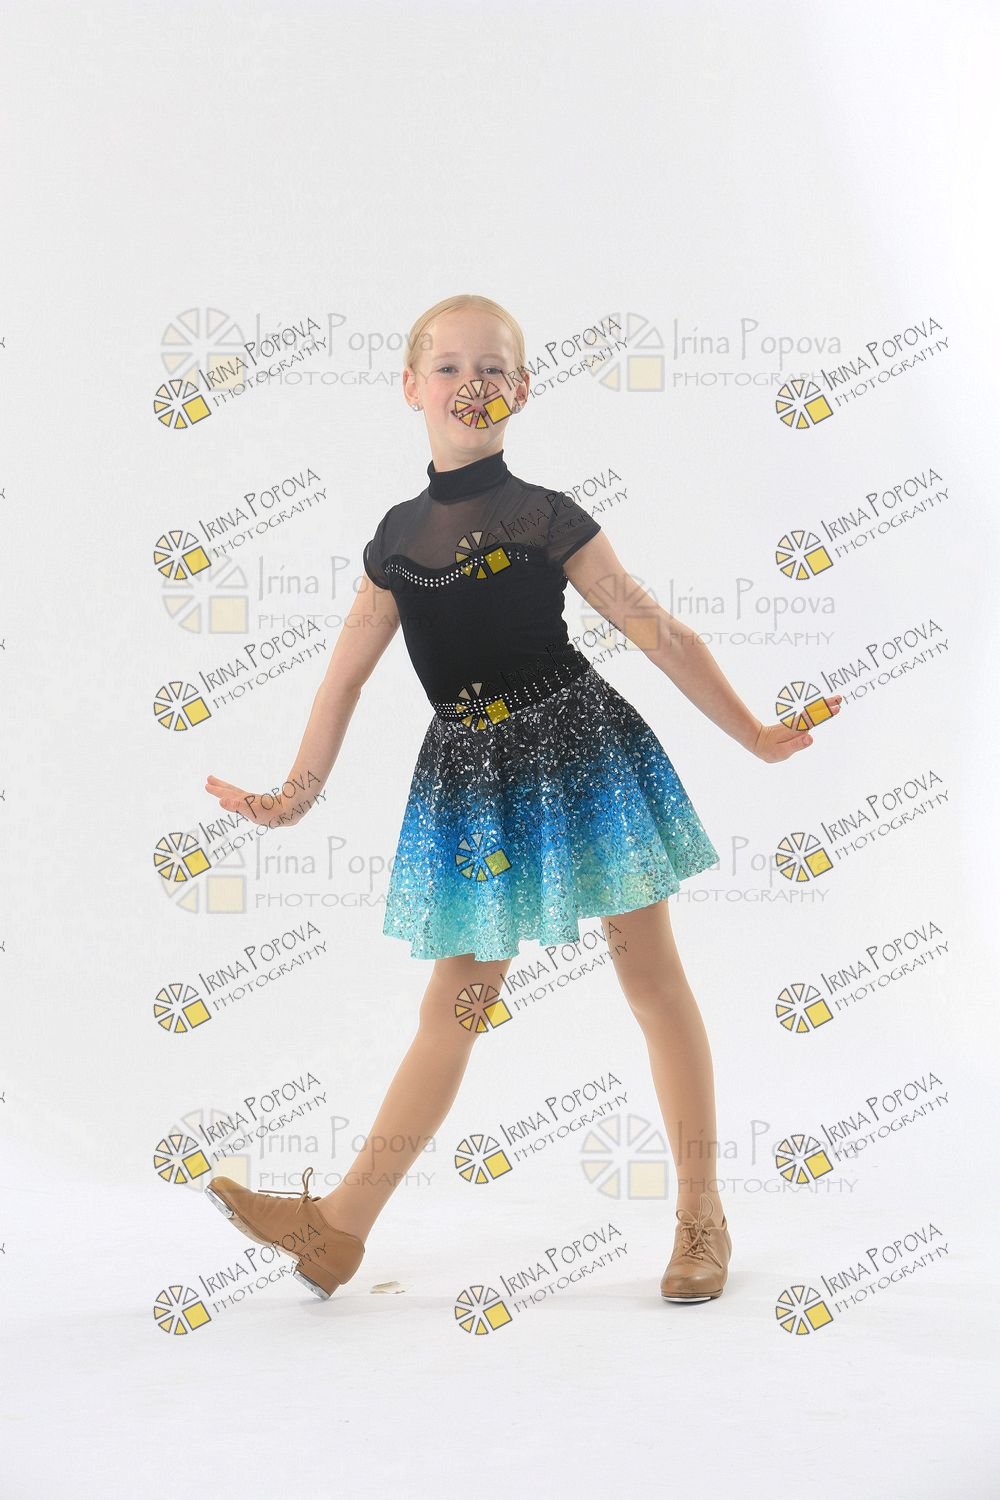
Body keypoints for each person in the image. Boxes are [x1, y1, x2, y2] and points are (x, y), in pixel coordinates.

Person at [202, 293, 842, 1305]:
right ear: (411, 388)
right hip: (473, 787)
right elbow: (343, 681)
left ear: (523, 390)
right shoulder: (394, 539)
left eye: (492, 368)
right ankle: (337, 1232)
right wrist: (295, 796)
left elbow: (656, 630)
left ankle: (701, 1215)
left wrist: (755, 735)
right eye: (449, 367)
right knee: (453, 1005)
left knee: (650, 978)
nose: (472, 384)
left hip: (583, 754)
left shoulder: (545, 516)